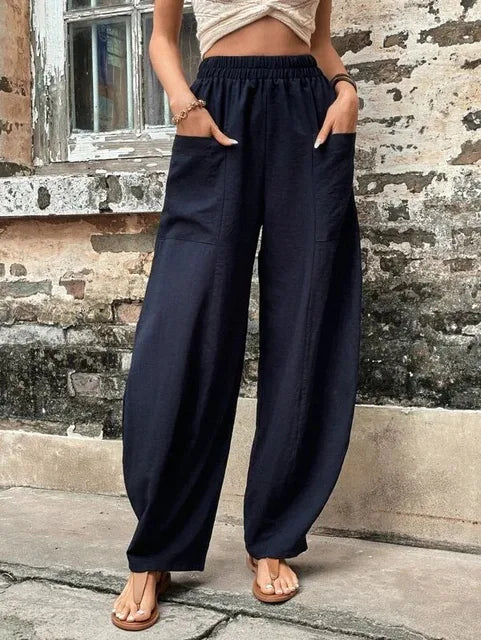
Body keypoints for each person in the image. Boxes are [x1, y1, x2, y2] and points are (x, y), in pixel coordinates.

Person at [112, 0, 361, 630]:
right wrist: (184, 105)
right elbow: (162, 38)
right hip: (216, 107)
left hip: (309, 113)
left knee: (309, 316)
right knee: (185, 323)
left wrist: (345, 90)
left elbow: (319, 41)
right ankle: (159, 544)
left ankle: (273, 534)